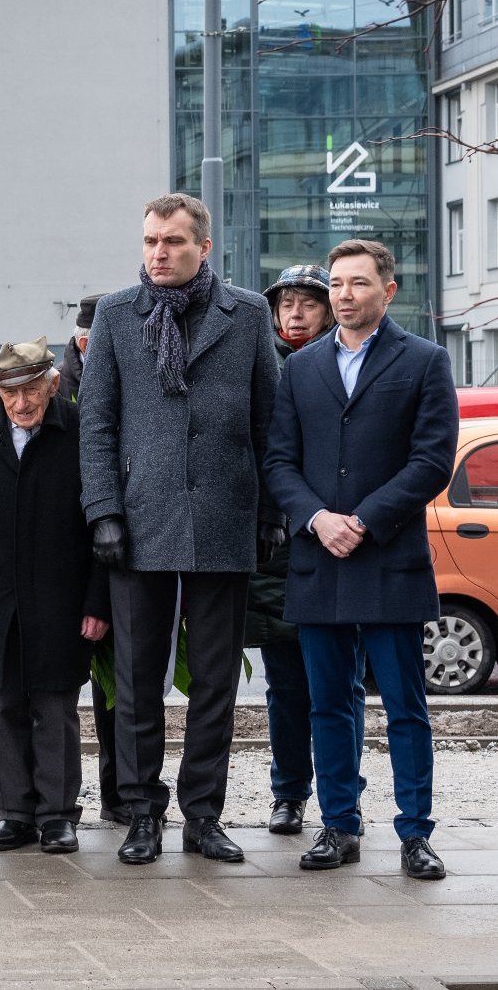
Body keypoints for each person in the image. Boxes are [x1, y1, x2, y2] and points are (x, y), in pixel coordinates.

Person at [78, 193, 283, 865]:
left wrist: (271, 512)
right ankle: (141, 811)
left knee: (216, 682)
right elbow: (97, 425)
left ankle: (204, 814)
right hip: (140, 521)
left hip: (225, 520)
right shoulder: (115, 313)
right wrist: (104, 511)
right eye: (149, 242)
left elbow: (268, 424)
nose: (158, 253)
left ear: (204, 248)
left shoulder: (248, 314)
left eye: (171, 241)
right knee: (138, 682)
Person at [263, 238, 455, 881]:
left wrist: (365, 521)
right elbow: (279, 463)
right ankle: (339, 825)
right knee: (327, 705)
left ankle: (415, 834)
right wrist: (318, 519)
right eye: (338, 284)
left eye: (358, 284)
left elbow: (431, 460)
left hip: (389, 556)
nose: (344, 295)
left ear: (388, 290)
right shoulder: (301, 368)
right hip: (319, 557)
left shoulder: (425, 361)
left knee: (405, 706)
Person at [0, 338, 109, 853]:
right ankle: (14, 814)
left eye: (33, 390)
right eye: (12, 394)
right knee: (0, 706)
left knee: (55, 708)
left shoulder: (79, 432)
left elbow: (102, 524)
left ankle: (58, 816)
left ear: (54, 385)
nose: (24, 404)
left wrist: (98, 601)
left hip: (62, 597)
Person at [245, 264, 347, 837]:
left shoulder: (345, 362)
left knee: (340, 686)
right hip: (278, 548)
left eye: (307, 303)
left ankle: (343, 796)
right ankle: (288, 793)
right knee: (285, 687)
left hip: (339, 543)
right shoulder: (264, 366)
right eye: (285, 304)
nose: (295, 314)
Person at [54, 292, 126, 825]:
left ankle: (118, 792)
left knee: (120, 683)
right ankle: (56, 798)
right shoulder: (58, 396)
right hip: (70, 555)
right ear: (83, 343)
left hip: (120, 548)